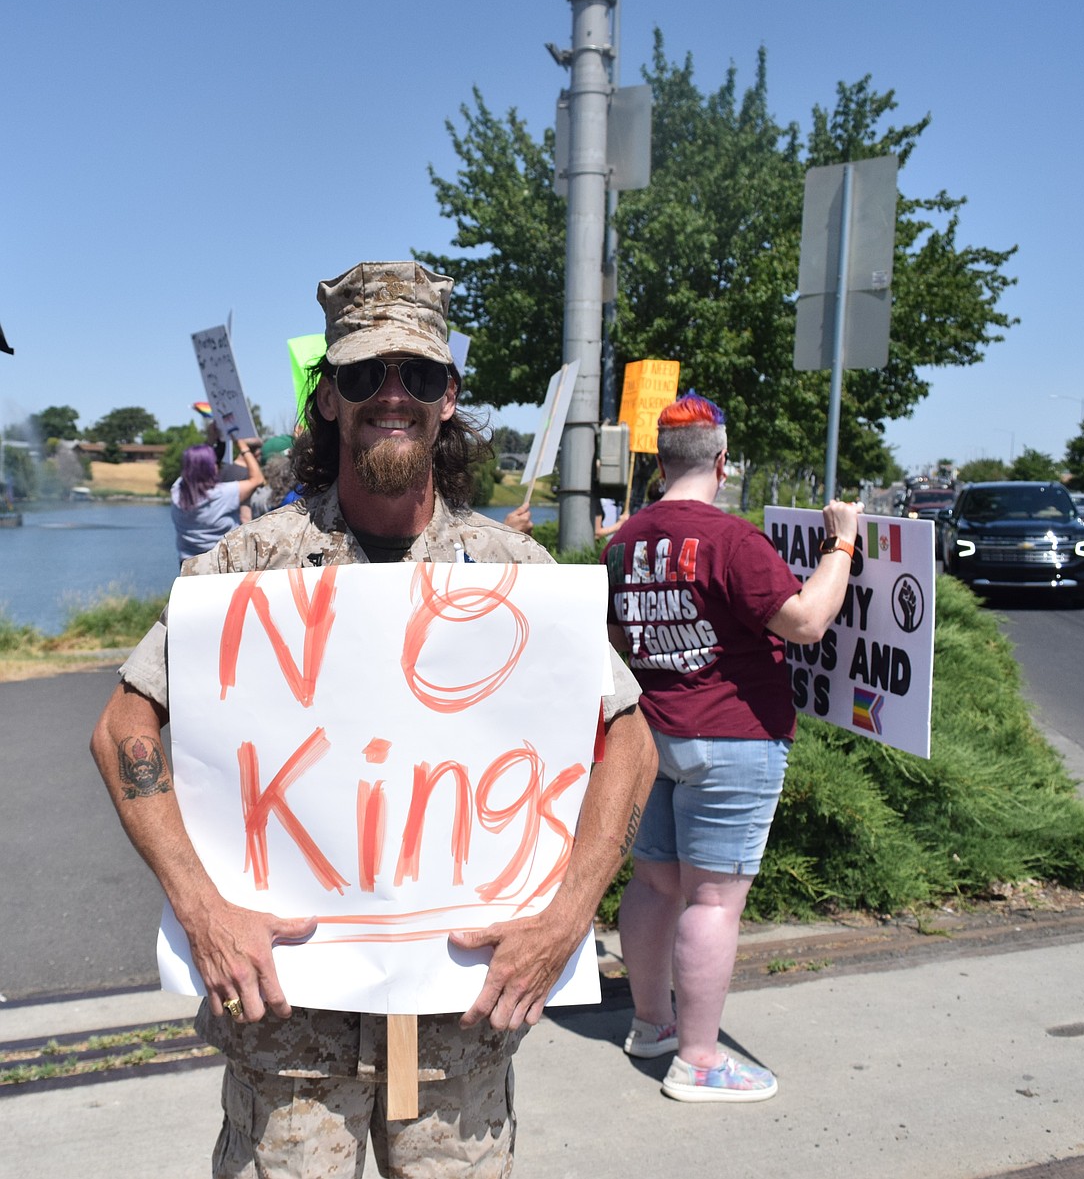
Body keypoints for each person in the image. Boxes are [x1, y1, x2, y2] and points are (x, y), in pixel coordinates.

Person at [91, 260, 656, 1178]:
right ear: (328, 400)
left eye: (417, 375)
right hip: (290, 1037)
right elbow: (123, 730)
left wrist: (567, 915)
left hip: (462, 1028)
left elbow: (630, 743)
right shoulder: (249, 568)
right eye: (363, 376)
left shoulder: (513, 574)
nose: (391, 396)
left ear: (448, 397)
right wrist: (203, 909)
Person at [603, 390, 861, 1104]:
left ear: (660, 463)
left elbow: (619, 638)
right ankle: (700, 1058)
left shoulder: (623, 540)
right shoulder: (732, 540)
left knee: (654, 886)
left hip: (656, 732)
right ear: (721, 462)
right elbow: (806, 620)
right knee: (713, 902)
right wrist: (841, 543)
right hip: (734, 736)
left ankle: (652, 1023)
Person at [170, 439, 264, 563]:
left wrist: (211, 438)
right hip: (221, 562)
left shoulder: (177, 492)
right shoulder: (222, 494)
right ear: (210, 467)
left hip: (188, 564)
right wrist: (243, 447)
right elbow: (257, 479)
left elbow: (193, 465)